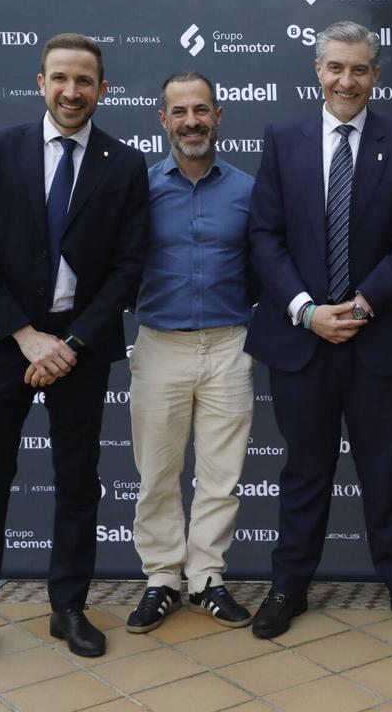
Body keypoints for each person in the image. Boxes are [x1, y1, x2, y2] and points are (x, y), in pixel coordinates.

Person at [0, 33, 149, 669]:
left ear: (102, 89)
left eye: (84, 80)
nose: (71, 91)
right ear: (41, 82)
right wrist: (25, 336)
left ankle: (69, 607)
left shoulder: (125, 164)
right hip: (3, 344)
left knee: (78, 483)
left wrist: (72, 342)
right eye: (60, 78)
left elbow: (128, 268)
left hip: (79, 347)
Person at [245, 21, 392, 638]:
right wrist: (307, 310)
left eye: (358, 69)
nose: (346, 81)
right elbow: (264, 236)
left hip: (379, 338)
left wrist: (361, 305)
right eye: (336, 67)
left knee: (384, 472)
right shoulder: (283, 139)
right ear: (318, 71)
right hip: (301, 341)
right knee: (304, 472)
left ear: (375, 75)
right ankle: (288, 588)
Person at [124, 71, 255, 634]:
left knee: (221, 476)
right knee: (157, 473)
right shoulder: (138, 189)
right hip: (160, 345)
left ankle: (205, 577)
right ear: (163, 120)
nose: (191, 122)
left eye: (201, 110)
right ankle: (161, 579)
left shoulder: (248, 190)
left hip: (229, 345)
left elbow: (265, 264)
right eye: (179, 112)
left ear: (218, 116)